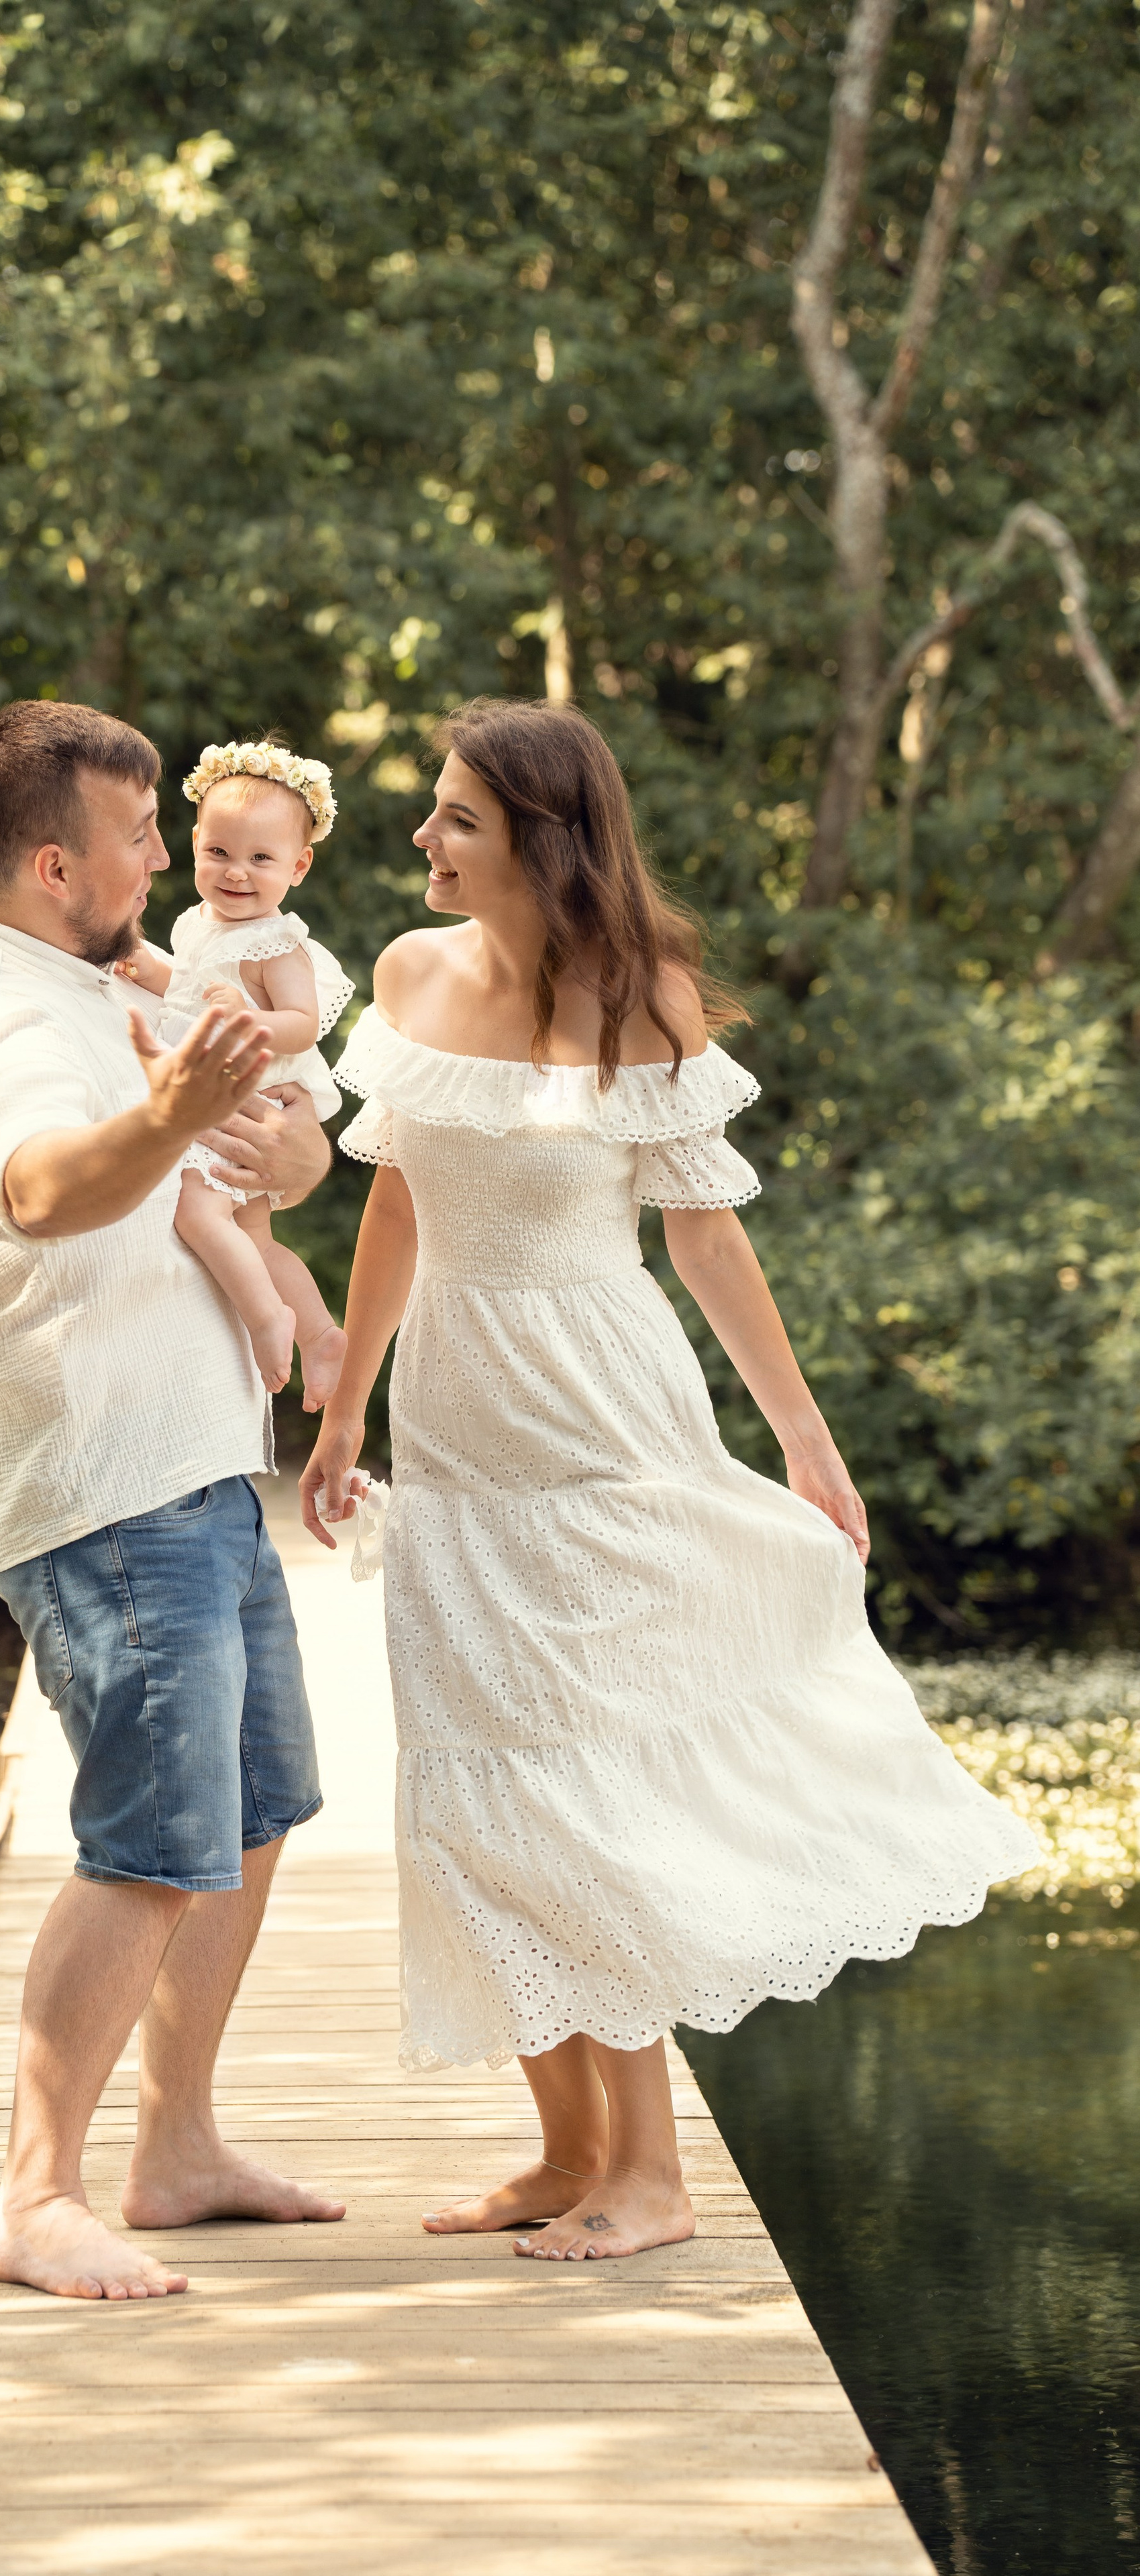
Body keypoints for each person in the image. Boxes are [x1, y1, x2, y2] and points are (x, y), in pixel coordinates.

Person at [300, 696, 1038, 2265]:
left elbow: (704, 1231)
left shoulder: (641, 999)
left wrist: (807, 1438)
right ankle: (563, 2145)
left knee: (580, 1780)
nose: (421, 839)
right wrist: (347, 1404)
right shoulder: (408, 977)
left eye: (454, 820)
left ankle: (650, 2169)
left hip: (599, 1422)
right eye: (430, 810)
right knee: (465, 1779)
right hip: (452, 1424)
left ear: (540, 843)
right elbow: (391, 1206)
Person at [0, 698, 346, 2302]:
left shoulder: (108, 979)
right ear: (45, 863)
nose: (166, 856)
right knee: (152, 1839)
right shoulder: (2, 1021)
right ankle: (34, 2195)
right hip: (101, 1488)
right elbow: (36, 1189)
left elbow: (258, 1160)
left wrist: (272, 1147)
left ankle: (174, 2147)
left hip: (200, 1461)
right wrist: (168, 1112)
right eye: (134, 834)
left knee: (248, 1811)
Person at [117, 739, 352, 1409]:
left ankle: (266, 1318)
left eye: (261, 859)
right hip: (225, 1084)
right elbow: (188, 988)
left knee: (195, 1207)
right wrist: (144, 968)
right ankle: (318, 1331)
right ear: (194, 843)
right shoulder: (199, 924)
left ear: (298, 866)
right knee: (250, 1234)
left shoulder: (277, 942)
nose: (236, 874)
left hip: (251, 1087)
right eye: (219, 853)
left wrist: (247, 1015)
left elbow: (302, 1024)